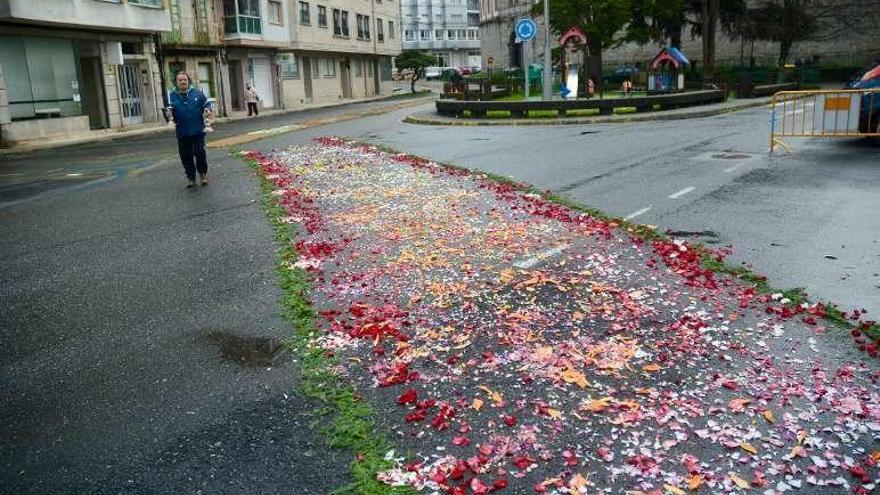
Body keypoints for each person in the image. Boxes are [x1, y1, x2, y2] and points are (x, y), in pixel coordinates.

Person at [169, 71, 211, 188]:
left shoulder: (197, 93)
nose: (183, 82)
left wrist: (207, 110)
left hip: (198, 130)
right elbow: (168, 112)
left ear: (188, 81)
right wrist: (168, 115)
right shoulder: (171, 96)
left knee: (199, 152)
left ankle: (203, 175)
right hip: (182, 132)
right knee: (186, 155)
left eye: (185, 80)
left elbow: (207, 104)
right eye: (180, 80)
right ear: (176, 82)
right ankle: (191, 178)